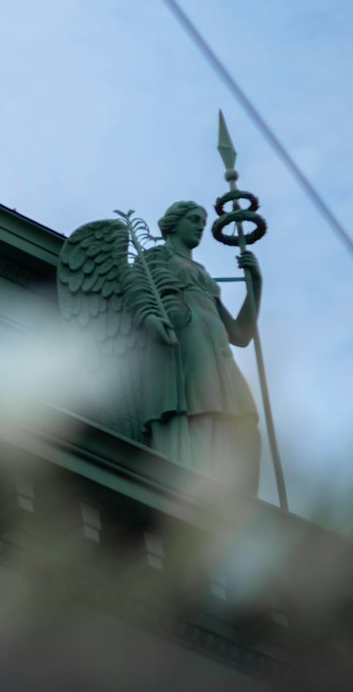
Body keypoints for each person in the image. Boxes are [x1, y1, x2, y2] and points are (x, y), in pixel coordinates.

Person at [142, 200, 263, 491]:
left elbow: (241, 335)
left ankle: (235, 495)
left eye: (204, 222)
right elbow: (143, 297)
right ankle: (197, 486)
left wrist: (256, 285)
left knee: (244, 425)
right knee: (205, 414)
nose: (200, 227)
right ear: (174, 224)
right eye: (194, 220)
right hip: (190, 344)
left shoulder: (204, 275)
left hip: (220, 353)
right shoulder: (157, 257)